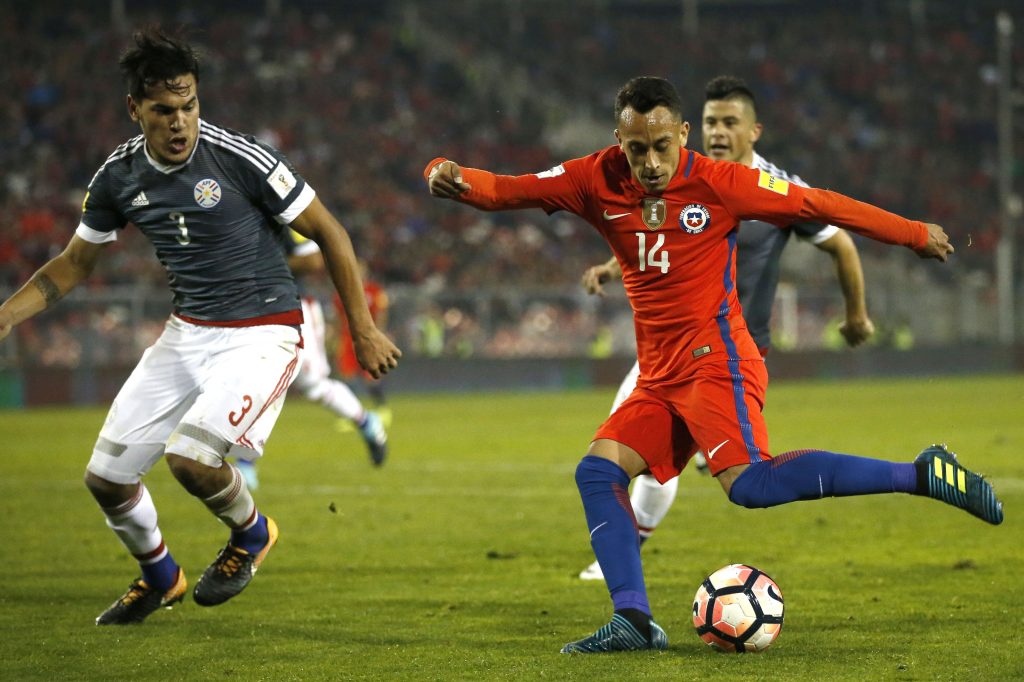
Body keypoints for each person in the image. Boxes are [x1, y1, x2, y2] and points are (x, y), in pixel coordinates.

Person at [425, 76, 1002, 654]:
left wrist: (912, 233)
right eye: (637, 149)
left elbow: (818, 204)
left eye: (662, 147)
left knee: (750, 485)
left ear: (683, 134)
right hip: (659, 374)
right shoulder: (592, 178)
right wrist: (448, 173)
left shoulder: (720, 183)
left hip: (716, 360)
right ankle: (633, 620)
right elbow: (508, 189)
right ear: (619, 141)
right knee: (598, 472)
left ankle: (920, 474)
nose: (651, 163)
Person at [0, 28, 400, 625]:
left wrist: (362, 329)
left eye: (188, 105)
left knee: (190, 460)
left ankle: (253, 533)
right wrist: (6, 315)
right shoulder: (118, 177)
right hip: (187, 332)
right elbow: (75, 263)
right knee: (106, 479)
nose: (180, 121)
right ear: (134, 109)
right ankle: (161, 578)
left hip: (263, 330)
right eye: (164, 110)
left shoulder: (239, 157)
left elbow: (330, 232)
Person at [576, 75, 876, 582]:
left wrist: (856, 316)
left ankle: (628, 554)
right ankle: (628, 557)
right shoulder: (684, 176)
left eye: (729, 122)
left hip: (733, 351)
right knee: (632, 452)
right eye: (711, 121)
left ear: (754, 131)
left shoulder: (776, 187)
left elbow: (841, 243)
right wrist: (611, 267)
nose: (718, 131)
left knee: (671, 461)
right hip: (675, 348)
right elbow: (656, 234)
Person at [235, 233, 389, 490]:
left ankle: (365, 421)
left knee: (313, 385)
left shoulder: (279, 212)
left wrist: (262, 264)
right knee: (256, 384)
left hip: (293, 306)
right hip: (251, 307)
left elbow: (312, 260)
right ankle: (244, 462)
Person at [333, 258, 392, 427]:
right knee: (347, 377)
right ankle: (351, 414)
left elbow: (382, 314)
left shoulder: (374, 291)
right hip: (347, 339)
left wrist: (378, 335)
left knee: (371, 376)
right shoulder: (341, 291)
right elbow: (338, 317)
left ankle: (382, 409)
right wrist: (337, 338)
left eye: (360, 270)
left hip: (367, 338)